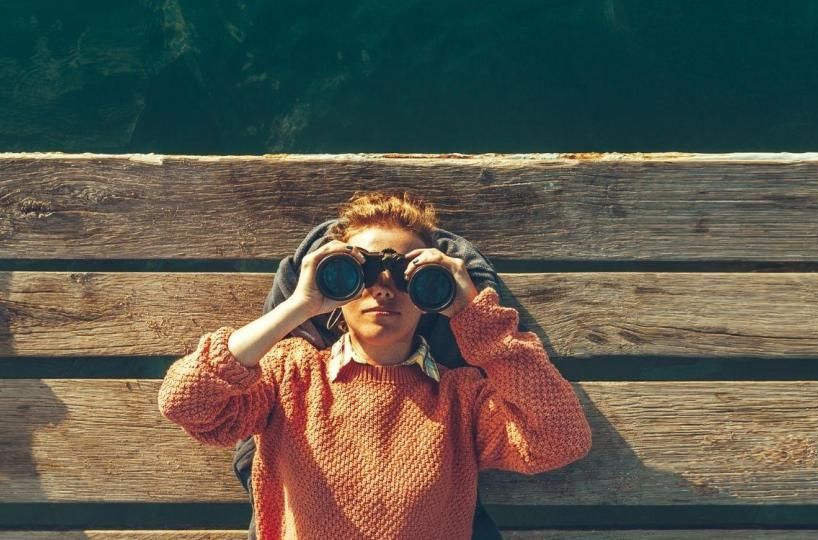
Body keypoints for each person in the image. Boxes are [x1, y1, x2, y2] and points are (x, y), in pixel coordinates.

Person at [158, 190, 592, 539]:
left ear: (431, 297)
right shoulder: (290, 374)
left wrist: (472, 312)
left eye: (408, 277)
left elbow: (560, 439)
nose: (384, 289)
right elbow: (185, 400)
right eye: (358, 275)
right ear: (332, 285)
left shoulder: (461, 398)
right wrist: (298, 306)